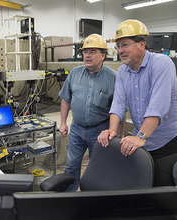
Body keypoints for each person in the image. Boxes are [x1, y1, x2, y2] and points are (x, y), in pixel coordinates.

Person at [97, 19, 177, 163]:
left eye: (125, 45)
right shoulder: (122, 72)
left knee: (162, 181)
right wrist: (112, 130)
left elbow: (158, 106)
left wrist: (140, 137)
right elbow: (118, 103)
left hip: (165, 141)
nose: (120, 51)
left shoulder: (161, 63)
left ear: (142, 45)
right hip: (140, 141)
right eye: (118, 46)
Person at [59, 34, 119, 192]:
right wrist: (63, 122)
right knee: (71, 165)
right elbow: (66, 99)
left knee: (99, 168)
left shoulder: (113, 78)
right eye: (85, 52)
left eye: (92, 51)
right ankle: (68, 197)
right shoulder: (74, 74)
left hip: (101, 132)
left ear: (103, 55)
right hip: (77, 129)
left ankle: (95, 199)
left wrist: (117, 135)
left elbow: (118, 110)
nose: (87, 55)